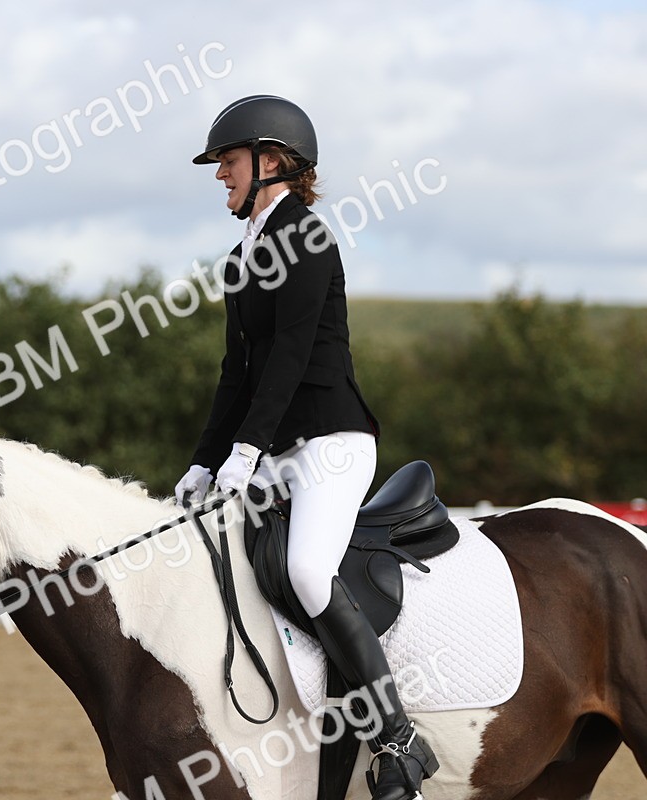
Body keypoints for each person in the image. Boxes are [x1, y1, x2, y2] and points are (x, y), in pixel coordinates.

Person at [173, 95, 438, 800]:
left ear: (270, 162)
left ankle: (398, 738)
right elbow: (238, 373)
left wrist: (247, 450)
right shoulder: (241, 255)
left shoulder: (309, 237)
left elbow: (289, 355)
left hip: (332, 442)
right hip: (276, 451)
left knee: (309, 572)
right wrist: (205, 459)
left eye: (227, 162)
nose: (220, 176)